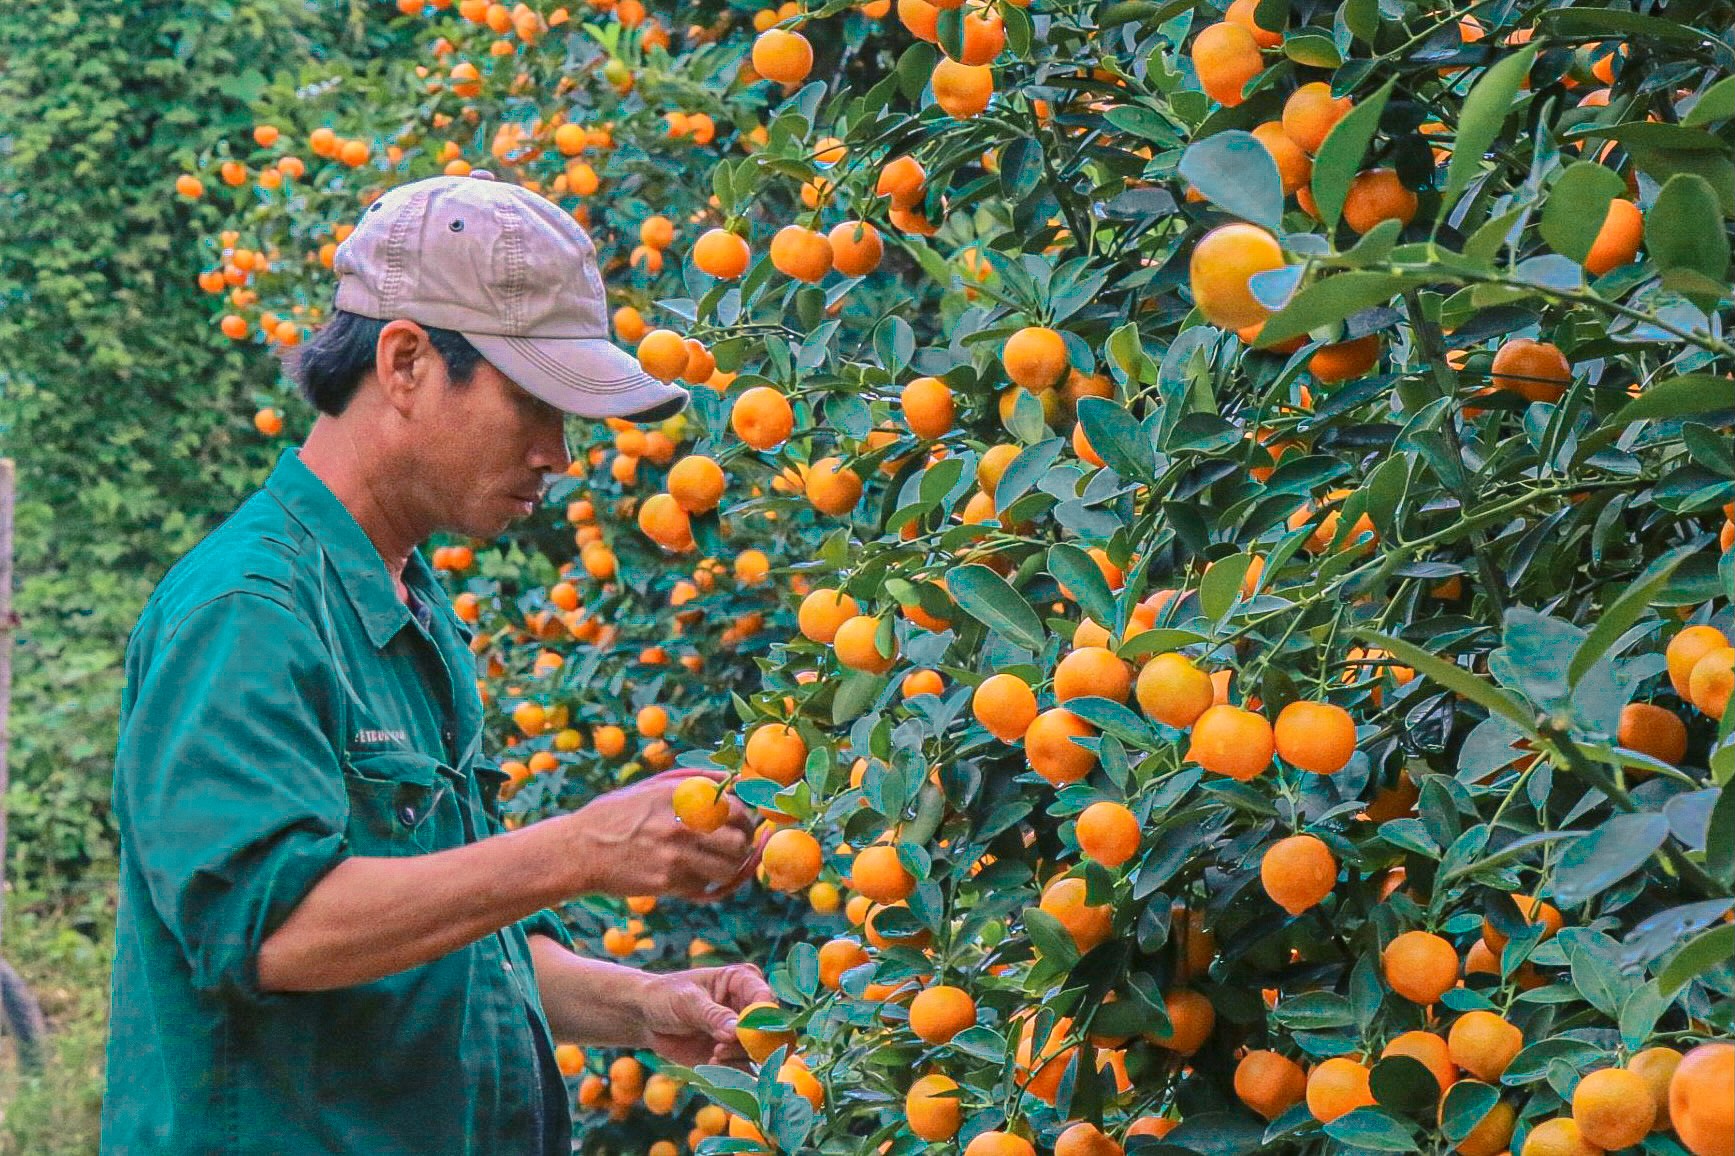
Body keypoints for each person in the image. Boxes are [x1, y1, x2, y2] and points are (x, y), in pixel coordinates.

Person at [101, 172, 769, 1154]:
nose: (559, 453)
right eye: (533, 403)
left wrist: (638, 1004)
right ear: (406, 361)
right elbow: (277, 932)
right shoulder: (250, 610)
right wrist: (580, 851)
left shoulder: (405, 602)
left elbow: (447, 938)